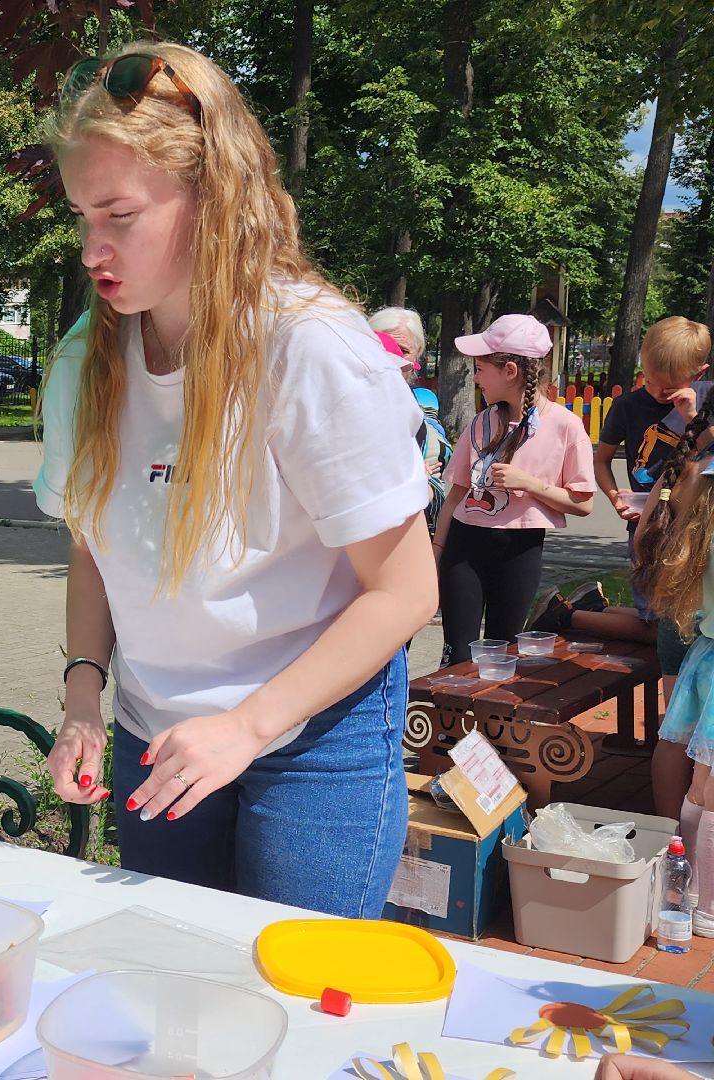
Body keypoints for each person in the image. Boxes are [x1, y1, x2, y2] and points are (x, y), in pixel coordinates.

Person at [33, 42, 437, 916]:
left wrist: (247, 728)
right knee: (177, 1000)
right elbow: (92, 547)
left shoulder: (311, 349)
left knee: (290, 999)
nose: (93, 250)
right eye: (80, 217)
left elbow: (404, 593)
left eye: (119, 215)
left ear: (212, 198)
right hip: (155, 730)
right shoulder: (83, 362)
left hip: (312, 734)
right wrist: (82, 700)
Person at [529, 316, 712, 819]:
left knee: (664, 644)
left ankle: (572, 615)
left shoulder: (702, 414)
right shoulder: (638, 409)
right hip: (661, 548)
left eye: (667, 383)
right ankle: (674, 825)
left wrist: (694, 423)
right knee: (666, 649)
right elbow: (607, 460)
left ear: (700, 371)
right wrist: (621, 500)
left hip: (687, 553)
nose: (656, 391)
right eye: (651, 379)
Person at [431, 314, 596, 664]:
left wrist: (531, 485)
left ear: (509, 371)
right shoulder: (482, 421)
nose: (475, 379)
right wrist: (436, 552)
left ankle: (490, 720)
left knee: (502, 650)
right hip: (464, 546)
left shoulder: (566, 426)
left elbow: (583, 504)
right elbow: (456, 496)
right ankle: (456, 717)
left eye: (480, 369)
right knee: (458, 653)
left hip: (520, 550)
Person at [630, 387, 714, 934]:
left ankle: (692, 896)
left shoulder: (697, 483)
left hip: (705, 655)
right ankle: (705, 907)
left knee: (700, 788)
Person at [369, 307, 450, 531]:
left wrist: (420, 481)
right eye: (382, 346)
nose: (392, 356)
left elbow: (437, 473)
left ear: (418, 353)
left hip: (413, 529)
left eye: (403, 350)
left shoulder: (424, 403)